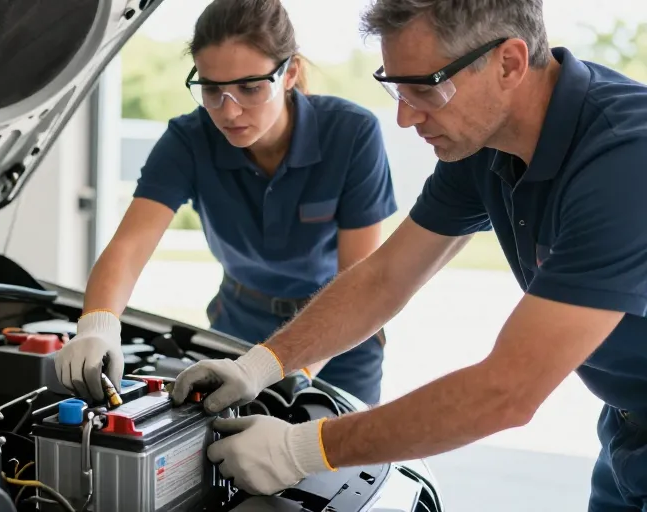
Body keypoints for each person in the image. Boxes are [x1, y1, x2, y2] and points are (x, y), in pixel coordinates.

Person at [169, 0, 647, 507]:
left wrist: (301, 449)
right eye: (396, 87)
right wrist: (261, 366)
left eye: (425, 88)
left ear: (509, 62)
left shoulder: (625, 160)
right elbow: (385, 276)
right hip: (624, 427)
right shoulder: (485, 144)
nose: (404, 116)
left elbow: (507, 390)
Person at [53, 0, 398, 407]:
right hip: (238, 327)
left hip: (341, 339)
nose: (228, 110)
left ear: (290, 73)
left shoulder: (352, 133)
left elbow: (358, 282)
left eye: (250, 87)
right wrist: (97, 325)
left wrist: (288, 373)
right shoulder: (188, 141)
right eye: (212, 89)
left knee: (338, 460)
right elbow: (128, 249)